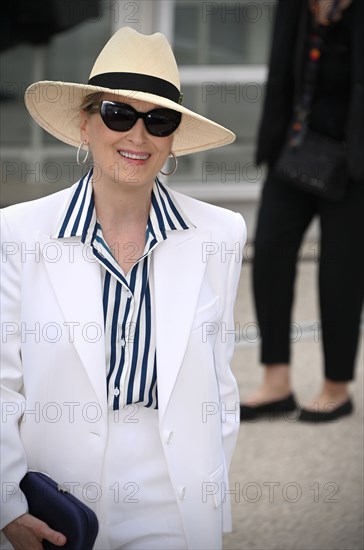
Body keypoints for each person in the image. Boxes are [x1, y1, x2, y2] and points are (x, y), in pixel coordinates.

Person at [0, 27, 246, 549]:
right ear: (85, 125)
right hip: (55, 487)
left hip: (172, 490)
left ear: (173, 138)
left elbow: (220, 384)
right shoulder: (17, 234)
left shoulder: (220, 235)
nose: (138, 136)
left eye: (158, 120)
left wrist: (211, 495)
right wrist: (5, 504)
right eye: (118, 114)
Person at [240, 0, 364, 422]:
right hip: (293, 152)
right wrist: (271, 146)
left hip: (354, 162)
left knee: (340, 273)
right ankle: (276, 384)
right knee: (270, 257)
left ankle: (336, 386)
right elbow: (280, 72)